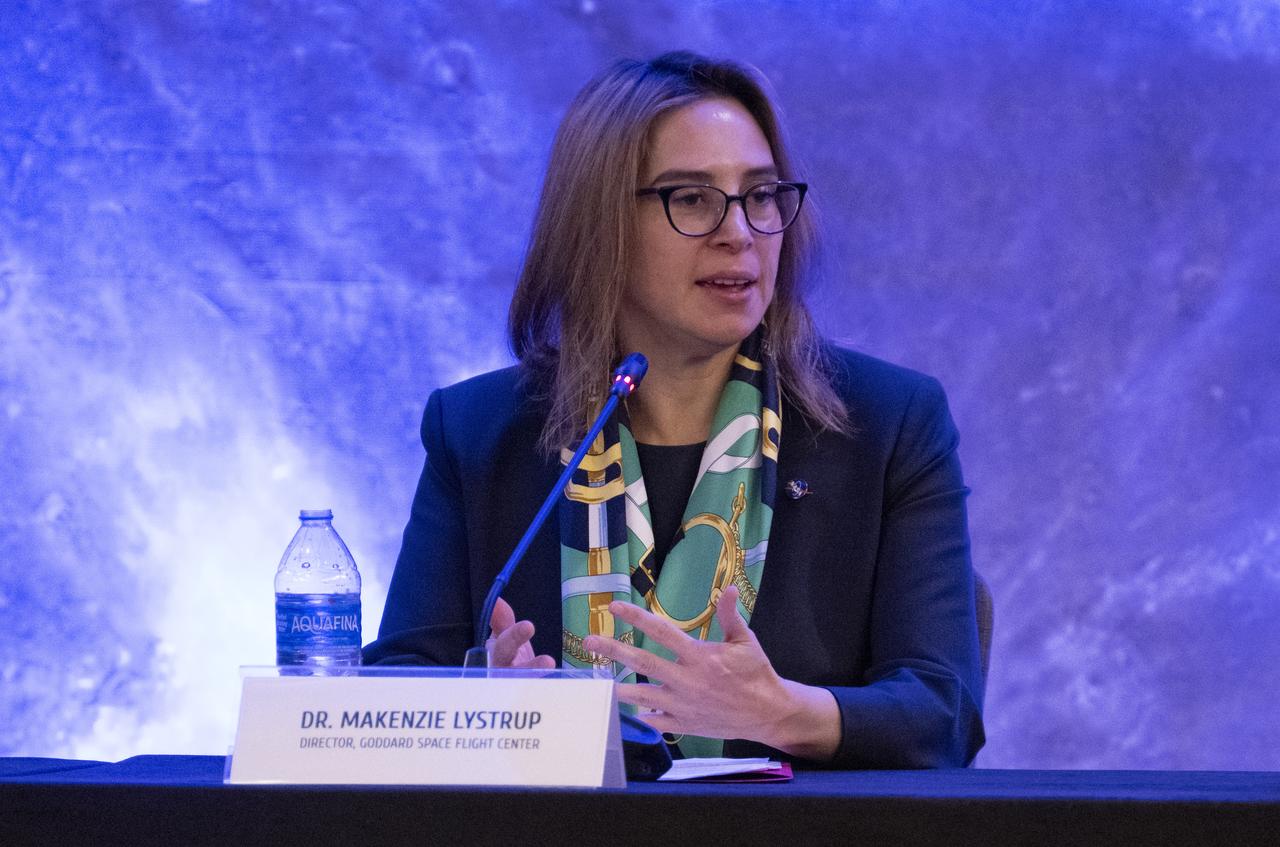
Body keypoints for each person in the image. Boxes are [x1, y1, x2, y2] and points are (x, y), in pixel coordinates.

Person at [364, 51, 985, 768]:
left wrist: (784, 711)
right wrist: (479, 707)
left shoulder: (889, 424)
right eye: (691, 198)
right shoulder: (476, 433)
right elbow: (393, 688)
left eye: (760, 195)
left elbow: (944, 710)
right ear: (599, 226)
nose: (740, 232)